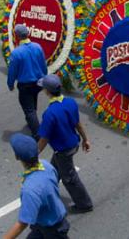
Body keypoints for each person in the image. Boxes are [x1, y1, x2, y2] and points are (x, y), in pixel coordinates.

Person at [37, 74, 94, 214]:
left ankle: (85, 204)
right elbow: (78, 124)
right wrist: (86, 139)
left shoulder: (49, 113)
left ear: (47, 91)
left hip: (63, 150)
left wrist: (34, 154)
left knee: (69, 179)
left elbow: (44, 139)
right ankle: (48, 192)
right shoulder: (70, 102)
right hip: (73, 144)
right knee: (54, 170)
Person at [3, 133, 70, 239]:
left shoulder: (30, 189)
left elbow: (22, 224)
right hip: (46, 219)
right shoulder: (46, 165)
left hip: (52, 228)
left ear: (17, 157)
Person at [8, 24, 48, 138]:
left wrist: (10, 84)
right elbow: (44, 66)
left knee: (29, 109)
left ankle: (37, 134)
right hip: (38, 83)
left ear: (17, 36)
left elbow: (12, 72)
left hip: (25, 86)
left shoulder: (16, 53)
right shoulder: (37, 46)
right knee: (32, 103)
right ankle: (32, 121)